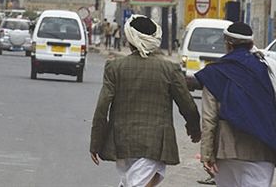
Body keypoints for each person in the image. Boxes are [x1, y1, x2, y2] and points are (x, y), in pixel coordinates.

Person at [90, 14, 201, 187]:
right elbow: (187, 105)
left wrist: (96, 142)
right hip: (155, 144)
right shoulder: (169, 69)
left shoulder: (115, 67)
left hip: (122, 142)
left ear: (130, 39)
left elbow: (102, 108)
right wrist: (194, 129)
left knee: (130, 183)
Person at [195, 22, 276, 187]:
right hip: (262, 150)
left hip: (226, 151)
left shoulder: (215, 72)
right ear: (251, 44)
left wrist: (207, 155)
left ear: (228, 44)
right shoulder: (268, 70)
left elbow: (209, 119)